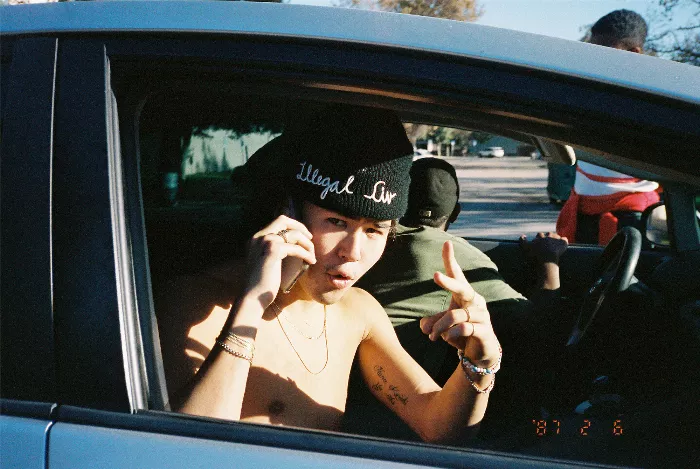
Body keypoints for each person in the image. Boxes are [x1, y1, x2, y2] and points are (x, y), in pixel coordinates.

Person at [164, 105, 502, 444]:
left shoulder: (358, 312)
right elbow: (190, 451)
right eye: (336, 223)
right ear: (290, 212)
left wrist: (479, 363)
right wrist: (251, 307)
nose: (353, 253)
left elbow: (438, 426)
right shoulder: (197, 303)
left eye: (374, 230)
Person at [354, 157, 569, 439]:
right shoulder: (454, 256)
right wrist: (549, 263)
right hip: (400, 414)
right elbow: (537, 322)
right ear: (455, 213)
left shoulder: (368, 244)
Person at [556, 9, 660, 245]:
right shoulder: (592, 90)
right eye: (593, 51)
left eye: (604, 52)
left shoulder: (650, 99)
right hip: (583, 207)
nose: (596, 59)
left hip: (630, 214)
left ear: (634, 53)